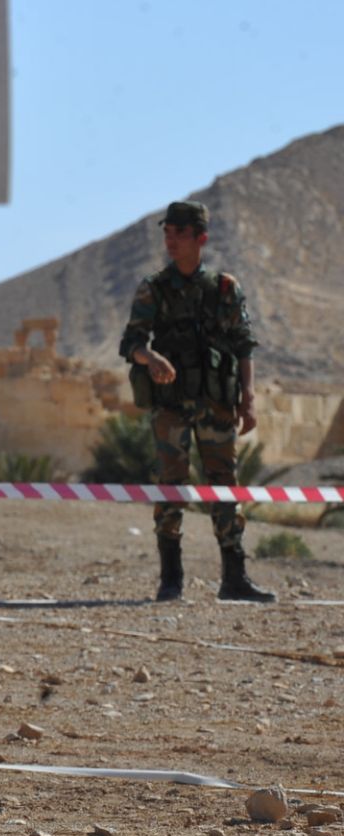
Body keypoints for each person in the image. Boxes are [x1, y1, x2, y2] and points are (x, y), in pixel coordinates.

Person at [119, 199, 273, 604]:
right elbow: (131, 343)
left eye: (179, 233)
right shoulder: (154, 287)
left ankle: (234, 578)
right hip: (171, 405)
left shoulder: (224, 288)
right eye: (166, 232)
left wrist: (249, 398)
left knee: (224, 485)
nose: (170, 240)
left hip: (218, 403)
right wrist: (149, 357)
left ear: (200, 239)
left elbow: (244, 344)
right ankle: (171, 579)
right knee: (171, 485)